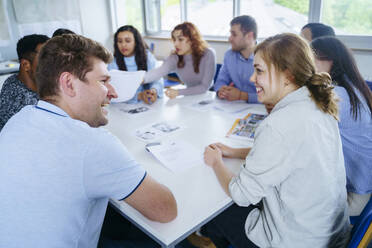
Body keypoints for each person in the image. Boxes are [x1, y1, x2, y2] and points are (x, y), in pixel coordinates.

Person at [0, 34, 177, 248]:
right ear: (69, 84)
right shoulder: (91, 143)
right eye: (103, 81)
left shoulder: (21, 117)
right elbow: (166, 210)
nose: (113, 92)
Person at [201, 33, 350, 248]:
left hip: (298, 240)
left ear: (287, 75)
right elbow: (291, 153)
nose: (252, 79)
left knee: (216, 211)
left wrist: (216, 161)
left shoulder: (277, 125)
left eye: (259, 71)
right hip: (330, 233)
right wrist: (233, 152)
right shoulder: (318, 103)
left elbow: (241, 195)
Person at [311, 36, 372, 216]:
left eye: (310, 58)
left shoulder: (337, 95)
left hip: (354, 197)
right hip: (361, 187)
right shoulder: (352, 87)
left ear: (331, 60)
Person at [144, 22, 216, 99]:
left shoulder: (209, 53)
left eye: (180, 39)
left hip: (208, 94)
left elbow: (204, 87)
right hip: (188, 95)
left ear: (193, 40)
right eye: (174, 40)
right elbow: (158, 72)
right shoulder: (175, 57)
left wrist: (178, 92)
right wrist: (138, 79)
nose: (175, 44)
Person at [0, 34, 49, 131]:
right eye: (46, 57)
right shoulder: (26, 105)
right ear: (26, 65)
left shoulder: (13, 80)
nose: (54, 64)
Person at [108, 25, 163, 104]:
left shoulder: (148, 57)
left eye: (127, 41)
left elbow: (157, 78)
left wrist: (153, 91)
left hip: (147, 104)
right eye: (120, 41)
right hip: (122, 107)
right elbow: (113, 92)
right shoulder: (113, 63)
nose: (123, 45)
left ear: (136, 42)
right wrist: (139, 96)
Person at [214, 15, 258, 103]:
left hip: (262, 109)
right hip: (235, 108)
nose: (229, 39)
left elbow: (274, 97)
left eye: (234, 34)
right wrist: (221, 90)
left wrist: (243, 96)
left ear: (249, 35)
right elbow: (220, 81)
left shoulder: (268, 58)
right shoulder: (229, 55)